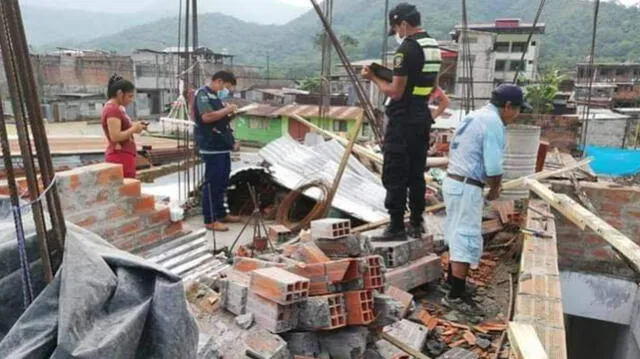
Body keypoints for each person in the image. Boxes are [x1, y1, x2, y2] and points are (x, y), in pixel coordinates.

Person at [441, 84, 530, 312]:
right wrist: (494, 190)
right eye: (518, 109)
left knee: (456, 232)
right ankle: (455, 296)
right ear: (508, 106)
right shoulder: (493, 122)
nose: (518, 115)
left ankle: (453, 282)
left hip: (455, 181)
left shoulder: (476, 115)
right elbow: (493, 166)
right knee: (465, 236)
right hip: (466, 186)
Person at [361, 3, 442, 240]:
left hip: (402, 118)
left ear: (403, 24)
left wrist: (374, 77)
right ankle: (416, 223)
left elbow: (395, 92)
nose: (397, 33)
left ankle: (396, 226)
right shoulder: (433, 46)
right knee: (416, 173)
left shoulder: (406, 50)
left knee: (395, 172)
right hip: (421, 116)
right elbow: (434, 86)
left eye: (397, 28)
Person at [193, 71, 242, 232]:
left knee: (222, 182)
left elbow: (220, 120)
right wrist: (226, 111)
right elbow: (207, 117)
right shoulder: (203, 95)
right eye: (226, 87)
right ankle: (210, 219)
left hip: (222, 145)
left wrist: (231, 114)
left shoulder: (216, 97)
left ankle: (221, 213)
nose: (226, 91)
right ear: (219, 82)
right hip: (211, 146)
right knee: (212, 183)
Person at [102, 74, 147, 178]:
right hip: (119, 157)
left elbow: (124, 131)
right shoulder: (112, 109)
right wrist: (134, 129)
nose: (131, 100)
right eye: (129, 96)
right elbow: (115, 136)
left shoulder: (118, 108)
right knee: (126, 191)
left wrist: (137, 127)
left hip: (124, 156)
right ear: (119, 93)